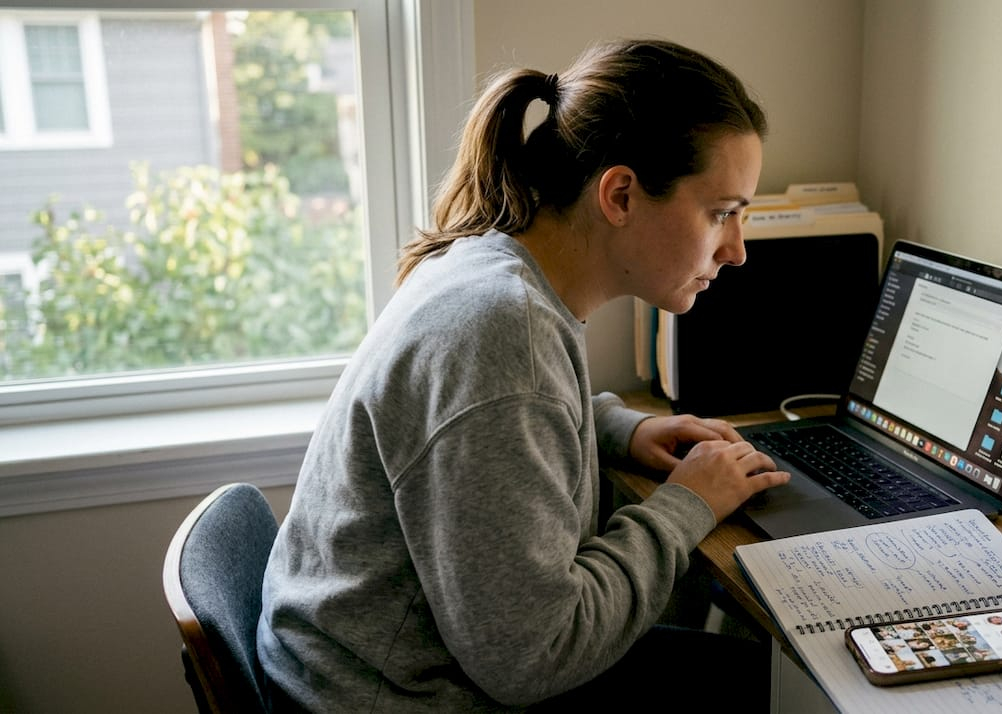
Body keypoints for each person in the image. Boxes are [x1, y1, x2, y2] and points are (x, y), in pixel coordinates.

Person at [257, 37, 789, 712]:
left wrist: (624, 429)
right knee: (760, 686)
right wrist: (687, 506)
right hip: (397, 695)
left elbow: (502, 417)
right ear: (620, 194)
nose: (737, 251)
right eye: (721, 213)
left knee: (741, 672)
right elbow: (537, 655)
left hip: (363, 668)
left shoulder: (491, 264)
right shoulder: (502, 332)